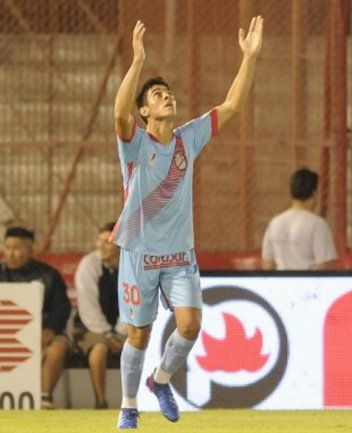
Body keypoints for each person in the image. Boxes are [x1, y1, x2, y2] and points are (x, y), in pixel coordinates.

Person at [111, 17, 264, 429]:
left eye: (169, 93)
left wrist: (249, 58)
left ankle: (160, 381)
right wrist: (137, 62)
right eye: (158, 95)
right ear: (145, 111)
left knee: (191, 325)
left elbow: (232, 106)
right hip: (139, 253)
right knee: (139, 335)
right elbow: (119, 112)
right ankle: (128, 406)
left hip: (179, 255)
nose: (168, 97)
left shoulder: (188, 138)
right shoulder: (134, 144)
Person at [0, 227, 70, 409]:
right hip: (5, 337)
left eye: (17, 248)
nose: (11, 253)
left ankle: (44, 398)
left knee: (59, 345)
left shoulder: (49, 275)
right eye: (7, 247)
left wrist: (50, 330)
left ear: (31, 250)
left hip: (42, 335)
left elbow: (62, 308)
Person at [74, 222, 127, 409]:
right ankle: (101, 401)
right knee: (99, 349)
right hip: (91, 328)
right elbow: (89, 306)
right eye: (99, 241)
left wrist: (120, 333)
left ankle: (135, 400)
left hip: (124, 328)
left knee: (138, 346)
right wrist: (108, 334)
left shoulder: (131, 266)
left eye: (107, 242)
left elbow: (132, 303)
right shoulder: (88, 264)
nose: (101, 246)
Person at [261, 168, 338, 270]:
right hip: (307, 280)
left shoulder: (274, 223)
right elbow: (324, 266)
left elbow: (267, 264)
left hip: (280, 279)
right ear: (314, 193)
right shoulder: (317, 224)